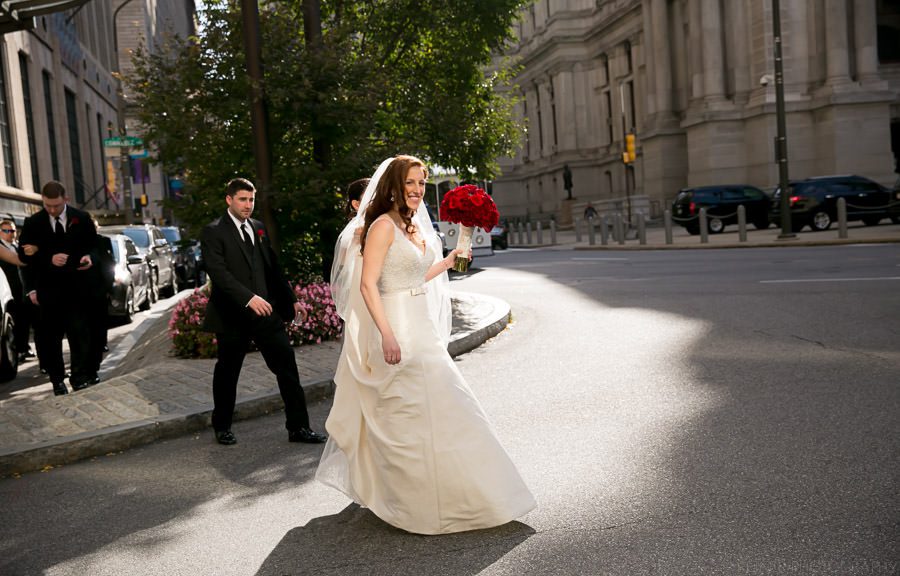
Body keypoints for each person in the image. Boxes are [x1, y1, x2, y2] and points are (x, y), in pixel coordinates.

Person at [317, 155, 536, 535]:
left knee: (448, 405)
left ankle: (470, 492)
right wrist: (385, 333)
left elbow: (416, 273)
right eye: (411, 183)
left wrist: (450, 259)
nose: (418, 190)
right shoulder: (383, 227)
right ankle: (408, 501)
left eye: (422, 182)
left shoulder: (412, 225)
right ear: (394, 187)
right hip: (395, 324)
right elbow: (369, 285)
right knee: (403, 412)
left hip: (421, 328)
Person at [200, 177, 327, 446]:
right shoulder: (214, 231)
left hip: (267, 314)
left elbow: (273, 268)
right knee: (227, 373)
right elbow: (219, 274)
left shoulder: (258, 228)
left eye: (251, 200)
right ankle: (222, 426)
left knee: (288, 368)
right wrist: (248, 298)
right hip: (232, 316)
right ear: (229, 200)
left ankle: (299, 428)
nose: (248, 205)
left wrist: (291, 300)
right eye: (243, 200)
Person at [17, 181, 97, 395]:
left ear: (66, 200)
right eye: (47, 205)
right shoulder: (33, 222)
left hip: (77, 288)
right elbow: (24, 255)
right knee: (50, 340)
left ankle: (79, 377)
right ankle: (57, 380)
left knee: (79, 334)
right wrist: (47, 257)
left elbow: (95, 246)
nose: (52, 210)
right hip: (48, 291)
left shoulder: (81, 218)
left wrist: (89, 257)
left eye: (56, 205)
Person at [0, 219, 35, 363]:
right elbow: (20, 261)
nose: (10, 234)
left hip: (22, 290)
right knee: (13, 323)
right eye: (6, 231)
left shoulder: (18, 246)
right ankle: (19, 349)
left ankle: (24, 348)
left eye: (13, 230)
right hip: (7, 291)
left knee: (24, 321)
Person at [86, 224, 115, 384]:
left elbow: (109, 265)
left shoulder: (103, 242)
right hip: (77, 297)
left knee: (97, 333)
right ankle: (83, 371)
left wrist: (107, 288)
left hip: (98, 294)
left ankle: (93, 368)